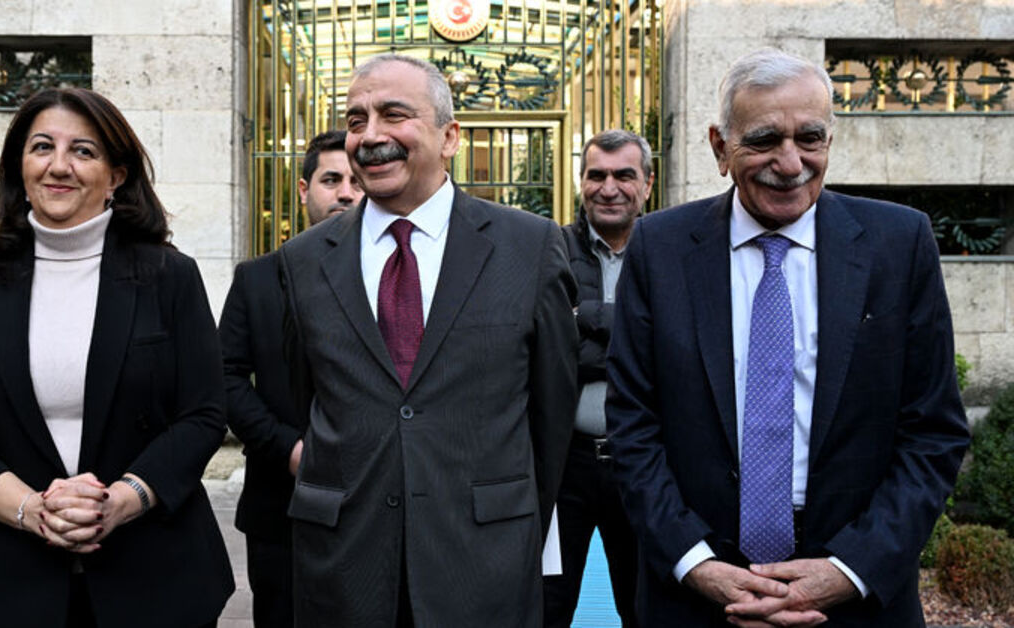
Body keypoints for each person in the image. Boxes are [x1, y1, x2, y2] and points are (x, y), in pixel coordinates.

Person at [604, 47, 970, 626]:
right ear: (720, 148)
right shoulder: (660, 248)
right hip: (696, 598)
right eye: (765, 139)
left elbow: (933, 432)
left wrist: (849, 570)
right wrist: (697, 565)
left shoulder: (899, 245)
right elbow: (632, 426)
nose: (791, 162)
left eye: (810, 138)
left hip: (858, 598)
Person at [278, 53, 578, 627]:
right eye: (356, 119)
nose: (371, 136)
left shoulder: (530, 246)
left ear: (450, 137)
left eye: (394, 115)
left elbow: (551, 415)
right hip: (345, 568)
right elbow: (307, 397)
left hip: (484, 563)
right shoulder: (303, 260)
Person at [0, 87, 235, 627]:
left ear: (116, 176)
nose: (59, 166)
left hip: (156, 578)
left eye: (83, 151)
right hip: (13, 584)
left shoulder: (170, 276)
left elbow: (204, 414)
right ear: (20, 167)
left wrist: (120, 500)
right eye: (42, 147)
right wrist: (33, 511)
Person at [220, 130, 362, 628]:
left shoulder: (394, 277)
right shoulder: (257, 278)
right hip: (280, 508)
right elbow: (224, 377)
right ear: (303, 190)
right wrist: (289, 449)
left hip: (374, 505)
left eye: (357, 181)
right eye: (331, 180)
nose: (346, 193)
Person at [543, 129, 651, 628]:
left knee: (643, 606)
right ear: (580, 181)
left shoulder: (666, 251)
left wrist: (582, 317)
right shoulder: (550, 249)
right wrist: (634, 332)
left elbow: (669, 351)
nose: (609, 188)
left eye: (623, 175)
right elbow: (546, 349)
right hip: (565, 465)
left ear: (647, 183)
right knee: (550, 605)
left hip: (642, 463)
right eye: (596, 175)